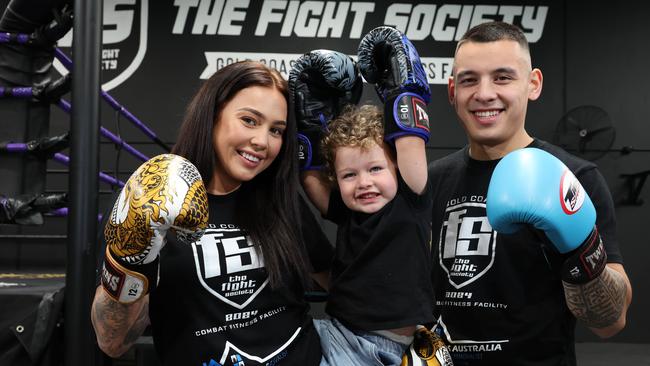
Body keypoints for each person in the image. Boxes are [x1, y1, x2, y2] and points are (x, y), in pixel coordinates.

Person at [91, 61, 333, 366]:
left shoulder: (282, 202)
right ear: (212, 115)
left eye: (276, 130)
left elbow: (339, 283)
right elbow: (112, 342)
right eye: (249, 120)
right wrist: (130, 256)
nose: (262, 141)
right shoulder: (150, 199)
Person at [428, 21, 633, 365]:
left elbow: (610, 323)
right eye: (469, 80)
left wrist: (579, 248)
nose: (484, 93)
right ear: (452, 92)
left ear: (533, 84)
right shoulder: (431, 182)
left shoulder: (577, 177)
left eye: (502, 77)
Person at [293, 27, 435, 365]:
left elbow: (410, 144)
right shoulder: (346, 208)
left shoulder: (410, 196)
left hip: (406, 346)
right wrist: (311, 125)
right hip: (343, 337)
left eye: (375, 169)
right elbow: (312, 179)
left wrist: (403, 87)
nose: (364, 183)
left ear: (396, 168)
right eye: (349, 175)